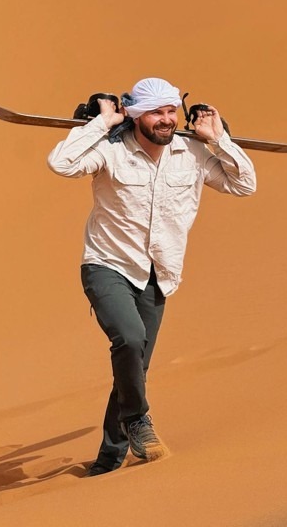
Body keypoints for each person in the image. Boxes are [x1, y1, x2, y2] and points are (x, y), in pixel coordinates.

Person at [47, 77, 257, 476]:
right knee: (128, 338)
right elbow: (61, 163)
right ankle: (139, 420)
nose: (166, 119)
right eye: (157, 112)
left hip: (159, 272)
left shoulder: (192, 153)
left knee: (135, 366)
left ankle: (109, 459)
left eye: (171, 111)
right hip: (108, 263)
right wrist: (101, 123)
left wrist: (218, 139)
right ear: (137, 115)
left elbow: (245, 185)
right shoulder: (110, 151)